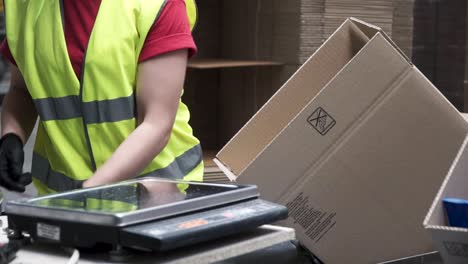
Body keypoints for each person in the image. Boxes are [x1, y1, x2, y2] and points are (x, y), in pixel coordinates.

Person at [0, 0, 204, 195]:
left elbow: (156, 125)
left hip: (155, 196)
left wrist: (89, 192)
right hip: (63, 199)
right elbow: (22, 89)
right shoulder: (26, 6)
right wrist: (12, 135)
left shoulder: (156, 5)